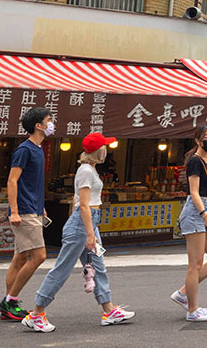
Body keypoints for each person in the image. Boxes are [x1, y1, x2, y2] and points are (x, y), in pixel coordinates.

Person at [23, 134, 133, 332]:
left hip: (88, 224)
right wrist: (90, 234)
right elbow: (83, 205)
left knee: (98, 266)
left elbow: (81, 204)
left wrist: (91, 231)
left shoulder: (90, 170)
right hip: (83, 225)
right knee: (62, 269)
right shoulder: (85, 171)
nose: (107, 150)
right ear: (97, 151)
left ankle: (108, 310)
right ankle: (36, 313)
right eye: (104, 147)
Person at [0, 108, 53, 322]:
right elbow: (12, 181)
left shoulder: (38, 148)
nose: (51, 124)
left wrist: (41, 207)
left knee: (20, 257)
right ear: (38, 126)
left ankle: (8, 304)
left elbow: (32, 183)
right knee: (39, 256)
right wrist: (14, 210)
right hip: (24, 210)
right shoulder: (25, 149)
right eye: (48, 120)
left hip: (34, 209)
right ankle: (10, 301)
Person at [170, 125, 207, 322]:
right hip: (195, 212)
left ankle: (184, 293)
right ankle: (192, 310)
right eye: (206, 137)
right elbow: (193, 192)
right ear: (198, 141)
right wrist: (204, 214)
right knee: (196, 263)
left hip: (205, 210)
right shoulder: (194, 161)